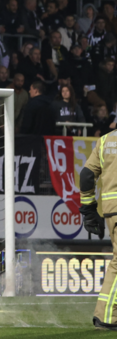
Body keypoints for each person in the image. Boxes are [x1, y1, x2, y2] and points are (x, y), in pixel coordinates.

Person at [78, 125, 117, 330]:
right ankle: (107, 317)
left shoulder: (104, 141)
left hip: (111, 209)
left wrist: (89, 208)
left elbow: (86, 175)